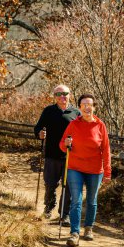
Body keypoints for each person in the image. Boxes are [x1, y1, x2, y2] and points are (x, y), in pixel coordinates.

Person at [59, 93, 111, 247]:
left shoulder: (100, 126)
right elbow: (62, 145)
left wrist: (107, 172)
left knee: (91, 200)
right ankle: (74, 233)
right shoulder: (73, 125)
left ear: (94, 107)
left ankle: (88, 228)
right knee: (76, 200)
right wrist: (66, 143)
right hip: (75, 167)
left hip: (95, 170)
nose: (87, 107)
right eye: (84, 105)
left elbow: (106, 151)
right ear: (80, 108)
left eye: (90, 104)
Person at [34, 84, 81, 225]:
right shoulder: (49, 111)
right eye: (59, 94)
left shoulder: (76, 113)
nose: (62, 97)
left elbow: (82, 133)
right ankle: (48, 209)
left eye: (65, 93)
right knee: (50, 184)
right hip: (51, 155)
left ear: (70, 95)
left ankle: (64, 214)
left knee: (68, 186)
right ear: (54, 97)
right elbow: (38, 127)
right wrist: (39, 134)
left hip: (70, 156)